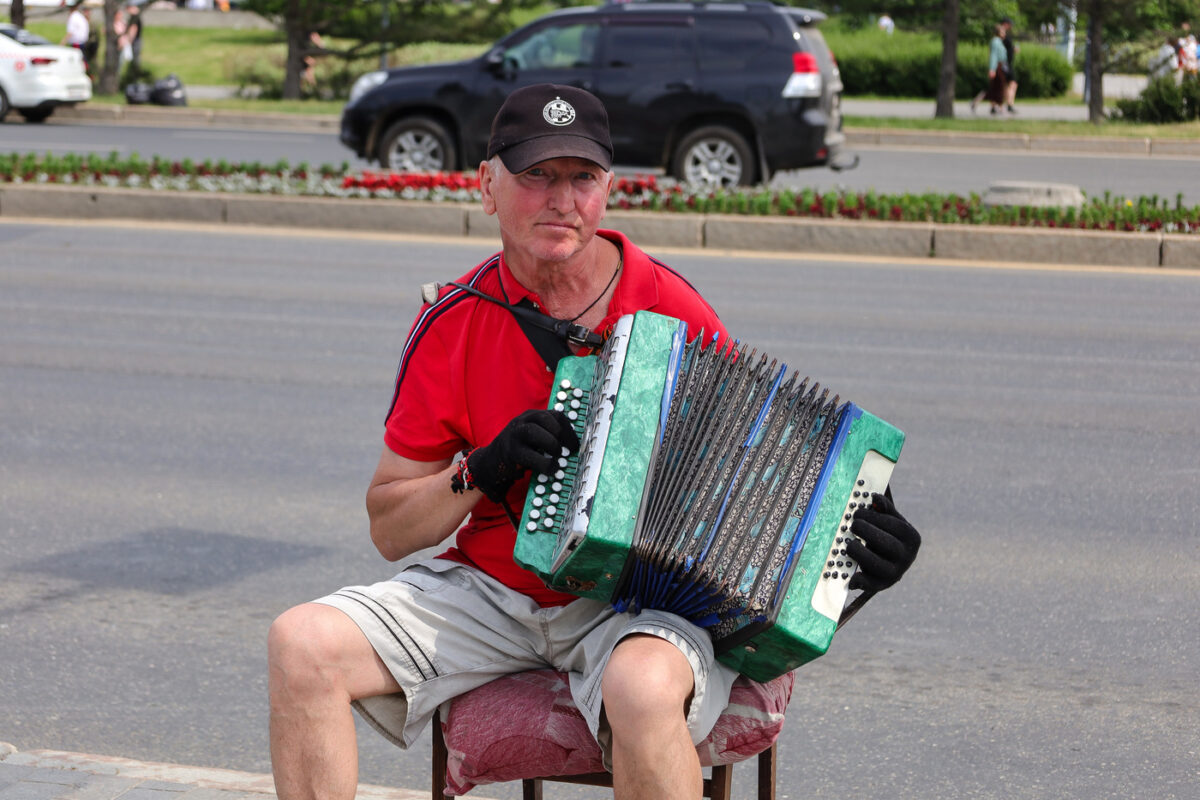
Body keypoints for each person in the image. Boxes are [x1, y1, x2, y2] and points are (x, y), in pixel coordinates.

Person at [266, 84, 921, 800]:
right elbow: (389, 528)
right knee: (301, 644)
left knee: (641, 687)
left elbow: (747, 502)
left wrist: (849, 565)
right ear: (487, 185)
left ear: (609, 189)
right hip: (493, 595)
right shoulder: (454, 317)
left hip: (629, 609)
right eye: (535, 175)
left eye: (582, 177)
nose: (560, 199)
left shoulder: (673, 311)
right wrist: (481, 472)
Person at [971, 23, 1010, 115]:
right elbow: (994, 56)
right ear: (998, 32)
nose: (1004, 33)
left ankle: (977, 102)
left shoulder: (999, 41)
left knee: (994, 88)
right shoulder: (995, 41)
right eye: (1002, 31)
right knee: (999, 87)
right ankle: (1000, 107)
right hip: (997, 67)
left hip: (1001, 66)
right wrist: (992, 69)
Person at [60, 2, 92, 76]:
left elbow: (70, 32)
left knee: (78, 62)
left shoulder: (73, 17)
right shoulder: (79, 16)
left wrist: (62, 42)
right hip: (82, 42)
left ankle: (86, 75)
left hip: (77, 43)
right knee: (82, 60)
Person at [1001, 17, 1020, 113]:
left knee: (1006, 84)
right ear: (1005, 23)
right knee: (1013, 83)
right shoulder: (1002, 34)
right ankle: (1009, 104)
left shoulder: (1003, 34)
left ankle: (1007, 104)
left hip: (1006, 63)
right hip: (1006, 64)